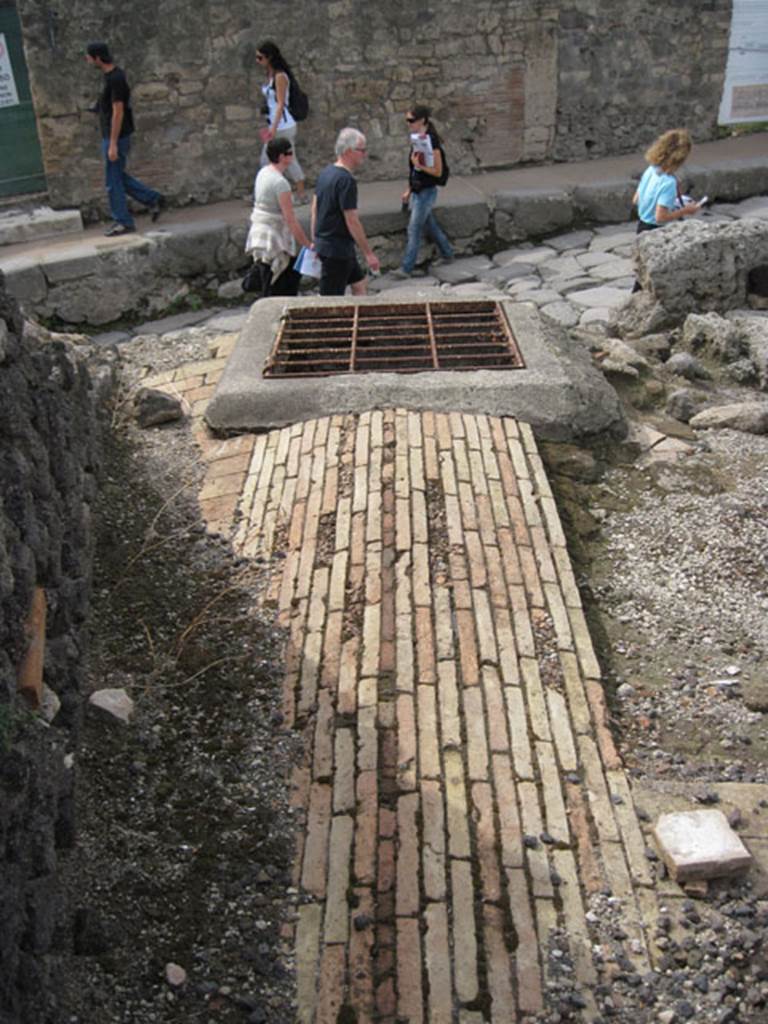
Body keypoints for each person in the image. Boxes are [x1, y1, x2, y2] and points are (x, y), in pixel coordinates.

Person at [85, 42, 164, 237]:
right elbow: (110, 105)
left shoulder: (116, 79)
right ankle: (153, 199)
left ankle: (123, 221)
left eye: (88, 56)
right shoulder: (109, 77)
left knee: (113, 182)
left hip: (116, 137)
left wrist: (112, 143)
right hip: (112, 136)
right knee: (118, 176)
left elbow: (118, 112)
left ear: (97, 57)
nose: (87, 60)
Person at [311, 127, 380, 296]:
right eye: (361, 150)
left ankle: (362, 318)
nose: (364, 154)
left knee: (358, 283)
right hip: (336, 249)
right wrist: (368, 253)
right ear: (349, 151)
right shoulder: (346, 180)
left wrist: (315, 239)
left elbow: (315, 208)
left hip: (335, 246)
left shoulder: (326, 173)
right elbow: (351, 219)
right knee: (330, 300)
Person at [631, 128, 701, 291]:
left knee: (641, 274)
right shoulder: (668, 183)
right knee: (653, 278)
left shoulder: (650, 170)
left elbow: (636, 199)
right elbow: (660, 217)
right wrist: (686, 210)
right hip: (655, 231)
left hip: (641, 226)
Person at [245, 137, 313, 297]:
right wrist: (307, 244)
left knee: (267, 279)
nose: (292, 156)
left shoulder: (263, 173)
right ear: (282, 157)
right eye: (290, 153)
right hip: (274, 238)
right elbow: (290, 219)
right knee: (281, 283)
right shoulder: (280, 183)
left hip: (259, 235)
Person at [393, 104, 453, 279]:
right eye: (407, 121)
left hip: (427, 191)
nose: (408, 124)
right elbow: (415, 169)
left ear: (422, 120)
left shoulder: (432, 141)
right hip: (418, 189)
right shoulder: (418, 139)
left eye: (411, 120)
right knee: (430, 225)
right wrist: (409, 190)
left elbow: (438, 171)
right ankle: (448, 253)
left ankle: (406, 268)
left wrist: (420, 166)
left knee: (414, 228)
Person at [257, 41, 307, 204]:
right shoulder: (271, 75)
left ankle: (300, 195)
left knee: (287, 159)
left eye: (260, 58)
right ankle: (267, 194)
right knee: (269, 160)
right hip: (276, 124)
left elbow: (280, 103)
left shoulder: (279, 76)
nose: (258, 61)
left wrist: (273, 127)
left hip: (283, 126)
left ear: (269, 57)